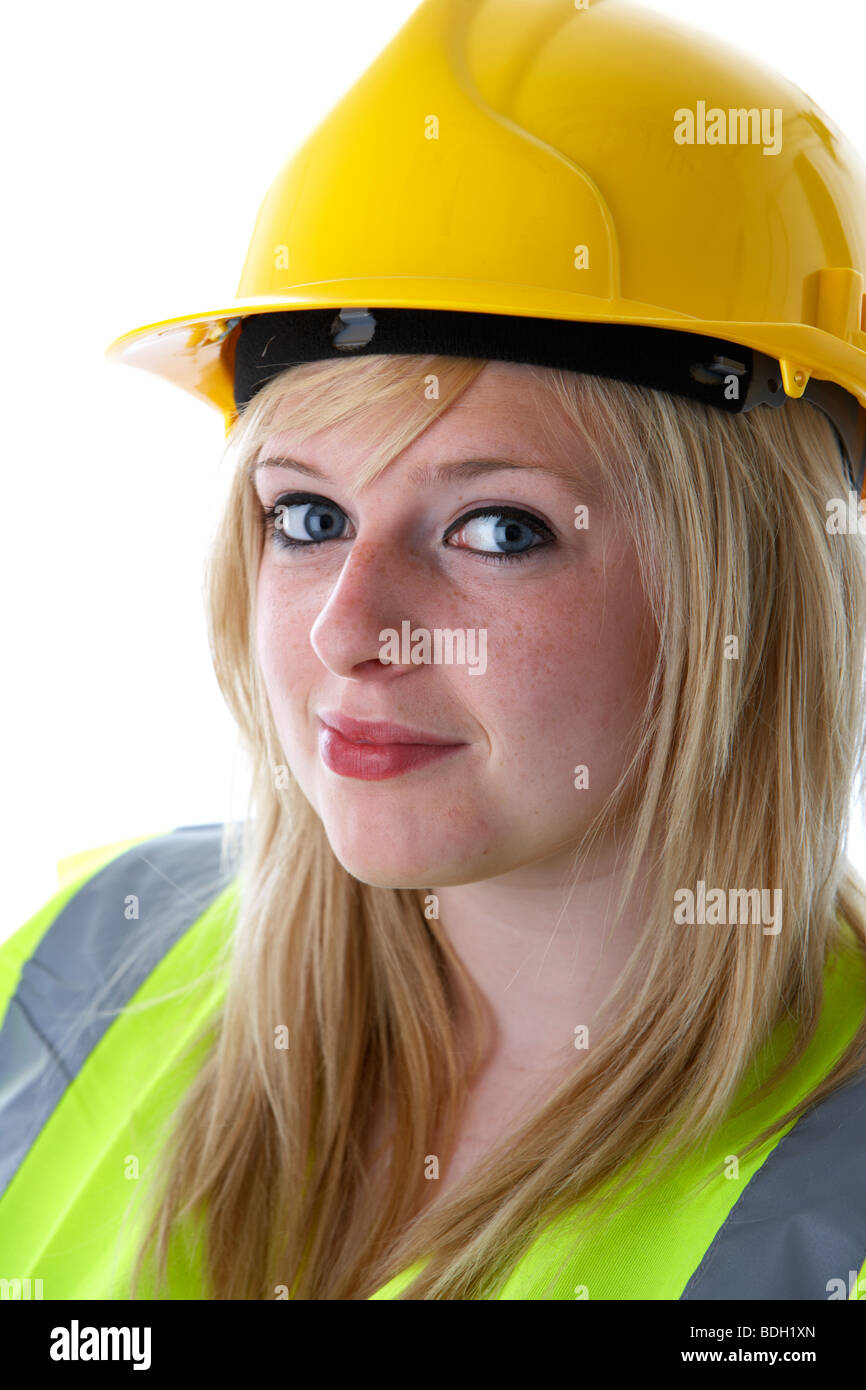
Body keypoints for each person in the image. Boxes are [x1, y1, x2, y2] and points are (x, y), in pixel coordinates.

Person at [2, 0, 866, 1302]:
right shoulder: (73, 968)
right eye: (307, 516)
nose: (348, 626)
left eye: (496, 526)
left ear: (751, 587)